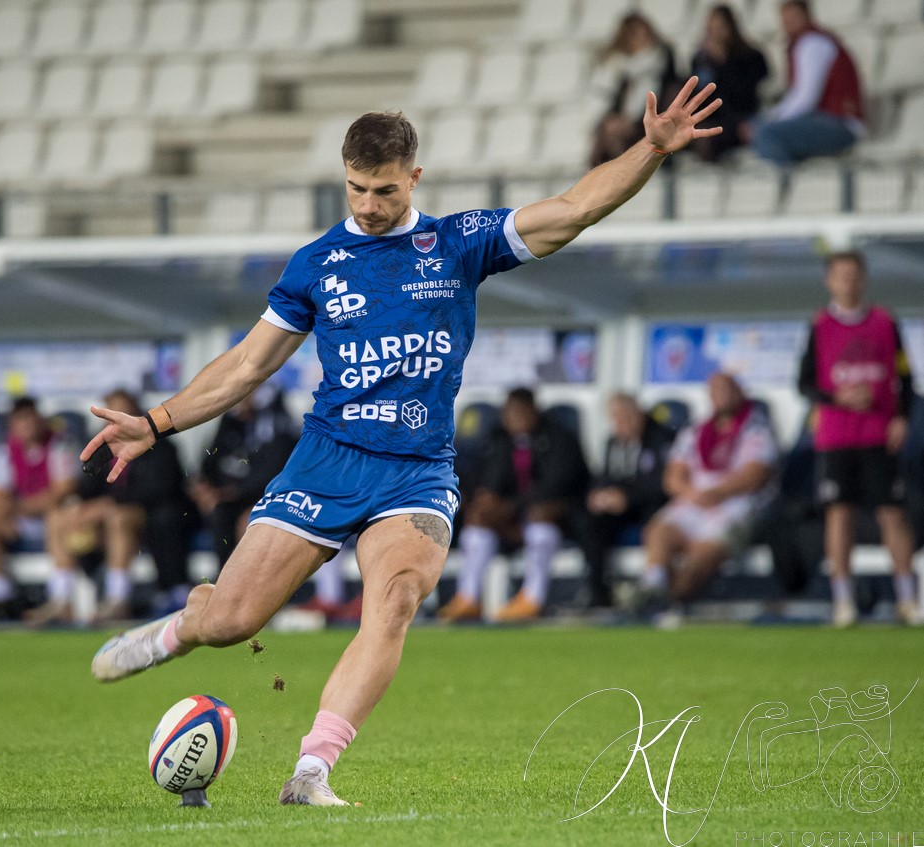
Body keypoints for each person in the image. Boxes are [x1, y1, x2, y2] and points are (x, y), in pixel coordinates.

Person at [82, 79, 723, 806]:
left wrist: (651, 148)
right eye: (355, 188)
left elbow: (573, 209)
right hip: (326, 460)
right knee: (231, 621)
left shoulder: (456, 243)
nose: (366, 204)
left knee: (393, 601)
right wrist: (158, 421)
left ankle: (311, 770)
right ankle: (182, 628)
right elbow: (246, 364)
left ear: (412, 177)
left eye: (383, 189)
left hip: (416, 472)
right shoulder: (316, 265)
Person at [797, 251, 918, 627]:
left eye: (854, 275)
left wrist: (901, 418)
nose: (848, 282)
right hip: (836, 436)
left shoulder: (885, 321)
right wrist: (838, 398)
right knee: (839, 513)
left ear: (863, 279)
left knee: (893, 513)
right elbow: (806, 384)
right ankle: (843, 601)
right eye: (841, 275)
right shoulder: (819, 325)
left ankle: (907, 598)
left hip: (877, 432)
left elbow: (906, 376)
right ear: (829, 281)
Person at [635, 374, 778, 626]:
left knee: (700, 556)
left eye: (727, 389)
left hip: (734, 504)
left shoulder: (756, 428)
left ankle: (670, 602)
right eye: (716, 390)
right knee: (659, 531)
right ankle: (652, 585)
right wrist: (692, 493)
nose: (721, 396)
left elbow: (755, 475)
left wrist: (717, 493)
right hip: (694, 500)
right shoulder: (696, 431)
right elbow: (672, 477)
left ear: (739, 393)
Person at [42, 389, 194, 623]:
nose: (115, 417)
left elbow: (159, 491)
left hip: (145, 521)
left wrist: (108, 505)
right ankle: (61, 599)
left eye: (122, 410)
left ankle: (117, 599)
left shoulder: (160, 444)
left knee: (118, 517)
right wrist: (78, 507)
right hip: (105, 523)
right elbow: (87, 485)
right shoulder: (100, 444)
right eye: (110, 412)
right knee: (58, 517)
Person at [437, 388, 588, 622]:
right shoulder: (498, 440)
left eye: (520, 412)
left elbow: (559, 484)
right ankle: (469, 598)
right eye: (509, 412)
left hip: (550, 517)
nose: (514, 418)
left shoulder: (560, 438)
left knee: (541, 531)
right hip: (508, 520)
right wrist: (487, 499)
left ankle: (532, 599)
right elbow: (486, 481)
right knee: (476, 530)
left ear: (533, 410)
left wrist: (512, 507)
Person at [0, 395, 74, 619]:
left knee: (58, 516)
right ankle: (1, 598)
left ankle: (61, 599)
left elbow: (61, 492)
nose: (27, 425)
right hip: (22, 520)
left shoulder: (58, 445)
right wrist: (3, 515)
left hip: (50, 520)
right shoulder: (5, 452)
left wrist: (18, 507)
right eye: (21, 420)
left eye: (30, 418)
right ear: (13, 425)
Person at [571, 393, 674, 609]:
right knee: (590, 524)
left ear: (639, 414)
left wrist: (628, 497)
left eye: (626, 417)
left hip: (650, 505)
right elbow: (603, 476)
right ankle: (598, 593)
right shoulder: (612, 442)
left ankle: (655, 592)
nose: (621, 424)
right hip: (620, 509)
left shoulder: (661, 438)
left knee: (658, 521)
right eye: (616, 419)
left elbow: (663, 484)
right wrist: (598, 494)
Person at [190, 385, 299, 569]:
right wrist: (204, 486)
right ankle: (222, 579)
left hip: (263, 496)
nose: (242, 401)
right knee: (211, 513)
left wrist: (233, 493)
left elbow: (273, 472)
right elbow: (211, 460)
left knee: (250, 522)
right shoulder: (230, 423)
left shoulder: (277, 428)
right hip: (229, 496)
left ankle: (248, 583)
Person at [747, 0, 864, 166]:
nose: (788, 23)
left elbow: (806, 99)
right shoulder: (804, 43)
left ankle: (788, 184)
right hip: (823, 120)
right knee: (756, 127)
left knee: (767, 134)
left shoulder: (812, 43)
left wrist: (771, 120)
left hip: (838, 124)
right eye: (785, 19)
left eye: (793, 18)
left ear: (805, 15)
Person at [589, 12, 680, 166]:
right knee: (607, 132)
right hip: (625, 123)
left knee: (609, 135)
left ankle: (618, 174)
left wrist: (633, 122)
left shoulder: (662, 62)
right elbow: (612, 101)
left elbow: (666, 99)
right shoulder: (621, 69)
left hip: (649, 124)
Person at [689, 4, 769, 163]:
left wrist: (722, 63)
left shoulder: (751, 57)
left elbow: (743, 95)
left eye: (720, 28)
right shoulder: (701, 60)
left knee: (709, 139)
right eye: (711, 29)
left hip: (740, 118)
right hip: (711, 118)